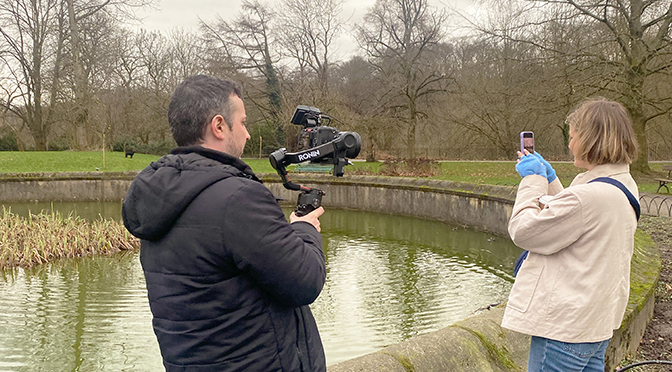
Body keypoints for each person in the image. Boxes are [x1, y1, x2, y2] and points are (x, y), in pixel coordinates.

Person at [122, 75, 327, 372]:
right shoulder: (238, 198)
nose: (246, 134)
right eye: (242, 123)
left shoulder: (158, 195)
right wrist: (305, 230)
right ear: (219, 126)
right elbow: (306, 281)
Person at [504, 97, 639, 372]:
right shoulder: (623, 186)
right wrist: (551, 180)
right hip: (595, 326)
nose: (569, 143)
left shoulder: (588, 197)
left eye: (574, 136)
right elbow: (575, 217)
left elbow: (523, 230)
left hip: (564, 330)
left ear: (590, 141)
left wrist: (532, 180)